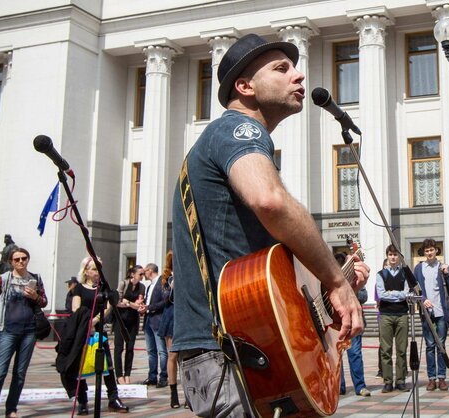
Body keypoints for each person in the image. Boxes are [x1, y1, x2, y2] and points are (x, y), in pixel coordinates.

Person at [170, 33, 368, 417]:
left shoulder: (226, 139)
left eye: (295, 67)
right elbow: (271, 201)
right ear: (244, 87)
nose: (299, 75)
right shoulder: (236, 129)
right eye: (282, 68)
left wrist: (328, 294)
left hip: (244, 348)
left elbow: (264, 282)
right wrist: (336, 281)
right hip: (230, 353)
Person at [0, 247, 47, 418]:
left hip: (29, 331)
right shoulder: (3, 279)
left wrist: (35, 297)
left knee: (19, 373)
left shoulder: (35, 279)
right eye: (17, 259)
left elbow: (44, 302)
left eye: (24, 258)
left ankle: (11, 409)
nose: (21, 262)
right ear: (11, 262)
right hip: (7, 331)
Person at [61, 256, 129, 415]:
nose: (97, 272)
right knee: (81, 365)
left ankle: (113, 398)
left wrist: (96, 319)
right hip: (82, 332)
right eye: (93, 269)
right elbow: (76, 308)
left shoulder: (103, 287)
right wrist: (86, 322)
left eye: (98, 269)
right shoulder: (78, 288)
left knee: (107, 365)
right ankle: (82, 401)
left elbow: (108, 306)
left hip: (99, 330)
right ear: (86, 271)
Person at [415, 238, 449, 391]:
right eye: (427, 251)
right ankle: (431, 379)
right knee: (429, 346)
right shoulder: (419, 268)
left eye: (432, 250)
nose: (429, 253)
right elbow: (414, 288)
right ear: (424, 252)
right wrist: (423, 299)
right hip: (426, 311)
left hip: (441, 311)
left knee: (441, 345)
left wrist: (447, 274)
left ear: (436, 250)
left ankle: (442, 378)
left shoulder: (443, 267)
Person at [376, 245, 411, 392]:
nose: (393, 257)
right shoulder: (380, 274)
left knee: (402, 350)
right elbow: (382, 295)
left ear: (399, 257)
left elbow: (407, 293)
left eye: (395, 255)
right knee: (386, 350)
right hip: (386, 315)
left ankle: (401, 380)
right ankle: (388, 381)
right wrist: (398, 294)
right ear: (387, 256)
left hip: (402, 314)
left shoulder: (405, 274)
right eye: (390, 255)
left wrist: (392, 294)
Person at [337, 252, 370, 397]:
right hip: (336, 324)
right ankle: (339, 387)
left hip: (353, 324)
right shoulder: (330, 279)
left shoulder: (355, 277)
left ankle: (360, 386)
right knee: (337, 356)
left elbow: (364, 296)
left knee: (355, 354)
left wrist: (351, 290)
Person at [157, 251, 182, 408]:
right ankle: (173, 393)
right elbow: (165, 298)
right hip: (171, 317)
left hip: (184, 316)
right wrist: (172, 286)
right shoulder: (166, 278)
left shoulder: (186, 272)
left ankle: (189, 393)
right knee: (172, 355)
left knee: (185, 356)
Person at [114, 265, 145, 385]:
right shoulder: (123, 283)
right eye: (140, 274)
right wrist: (131, 304)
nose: (142, 276)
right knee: (118, 348)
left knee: (130, 348)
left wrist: (129, 303)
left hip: (132, 320)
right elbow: (117, 301)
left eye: (143, 274)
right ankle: (119, 375)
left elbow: (139, 304)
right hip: (120, 320)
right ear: (133, 274)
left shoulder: (141, 287)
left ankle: (127, 374)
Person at [140, 263, 167, 387]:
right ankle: (152, 376)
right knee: (151, 350)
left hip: (158, 320)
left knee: (161, 350)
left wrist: (149, 307)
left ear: (150, 271)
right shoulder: (149, 286)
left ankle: (163, 377)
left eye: (144, 271)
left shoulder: (162, 282)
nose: (143, 274)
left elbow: (164, 301)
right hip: (148, 321)